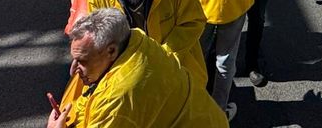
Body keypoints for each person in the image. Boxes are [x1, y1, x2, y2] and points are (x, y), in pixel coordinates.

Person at [48, 8, 226, 128]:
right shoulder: (136, 40)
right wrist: (71, 115)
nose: (73, 71)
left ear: (111, 50)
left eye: (82, 61)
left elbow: (109, 105)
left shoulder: (120, 96)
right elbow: (94, 100)